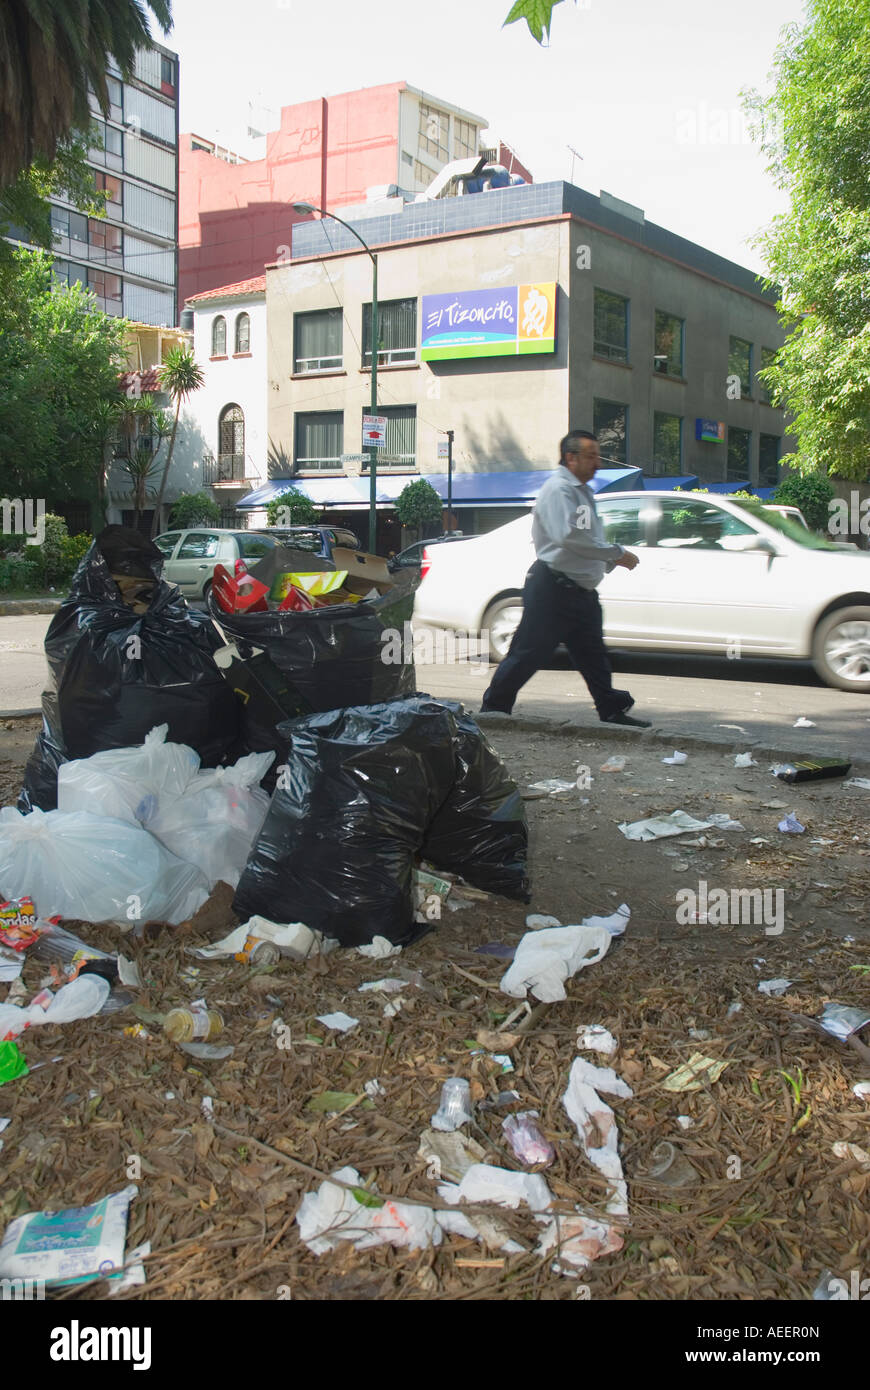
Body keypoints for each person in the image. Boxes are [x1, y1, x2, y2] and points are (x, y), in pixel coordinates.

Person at [481, 429, 651, 727]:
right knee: (528, 653)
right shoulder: (560, 490)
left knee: (593, 654)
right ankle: (493, 711)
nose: (597, 463)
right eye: (590, 456)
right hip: (553, 589)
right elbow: (569, 537)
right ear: (570, 458)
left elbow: (586, 539)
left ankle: (610, 710)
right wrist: (616, 554)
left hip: (579, 591)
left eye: (597, 455)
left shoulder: (580, 490)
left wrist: (606, 562)